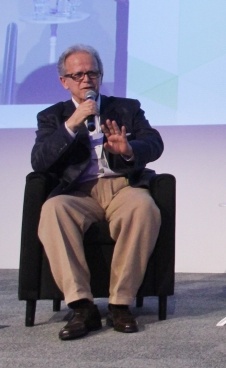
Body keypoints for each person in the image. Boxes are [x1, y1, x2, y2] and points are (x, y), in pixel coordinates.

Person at [31, 44, 164, 340]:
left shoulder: (126, 108)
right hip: (78, 192)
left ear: (101, 77)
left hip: (121, 187)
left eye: (92, 73)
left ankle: (120, 303)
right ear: (64, 81)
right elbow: (39, 161)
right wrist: (71, 125)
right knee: (53, 210)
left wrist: (129, 149)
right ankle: (81, 306)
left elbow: (155, 143)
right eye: (77, 75)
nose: (86, 80)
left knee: (145, 208)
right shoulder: (52, 117)